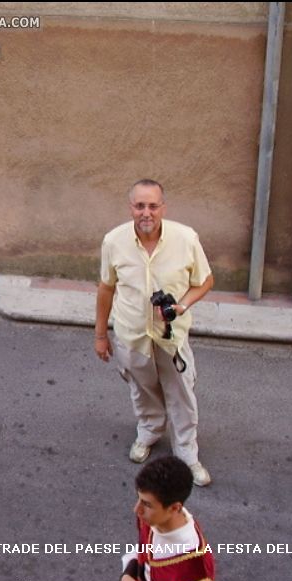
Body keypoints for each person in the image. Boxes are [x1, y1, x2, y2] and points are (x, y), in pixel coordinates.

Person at [95, 179, 214, 486]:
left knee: (182, 393)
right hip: (131, 334)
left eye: (152, 206)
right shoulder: (113, 241)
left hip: (170, 337)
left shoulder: (186, 239)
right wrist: (100, 335)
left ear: (163, 207)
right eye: (139, 206)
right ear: (130, 208)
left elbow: (205, 281)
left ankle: (187, 453)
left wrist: (182, 306)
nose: (145, 212)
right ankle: (149, 431)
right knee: (142, 388)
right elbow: (106, 288)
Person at [120, 456, 217, 581]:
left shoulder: (195, 575)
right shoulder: (152, 518)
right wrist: (128, 575)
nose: (137, 510)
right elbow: (142, 551)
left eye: (147, 504)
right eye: (138, 498)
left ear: (174, 508)